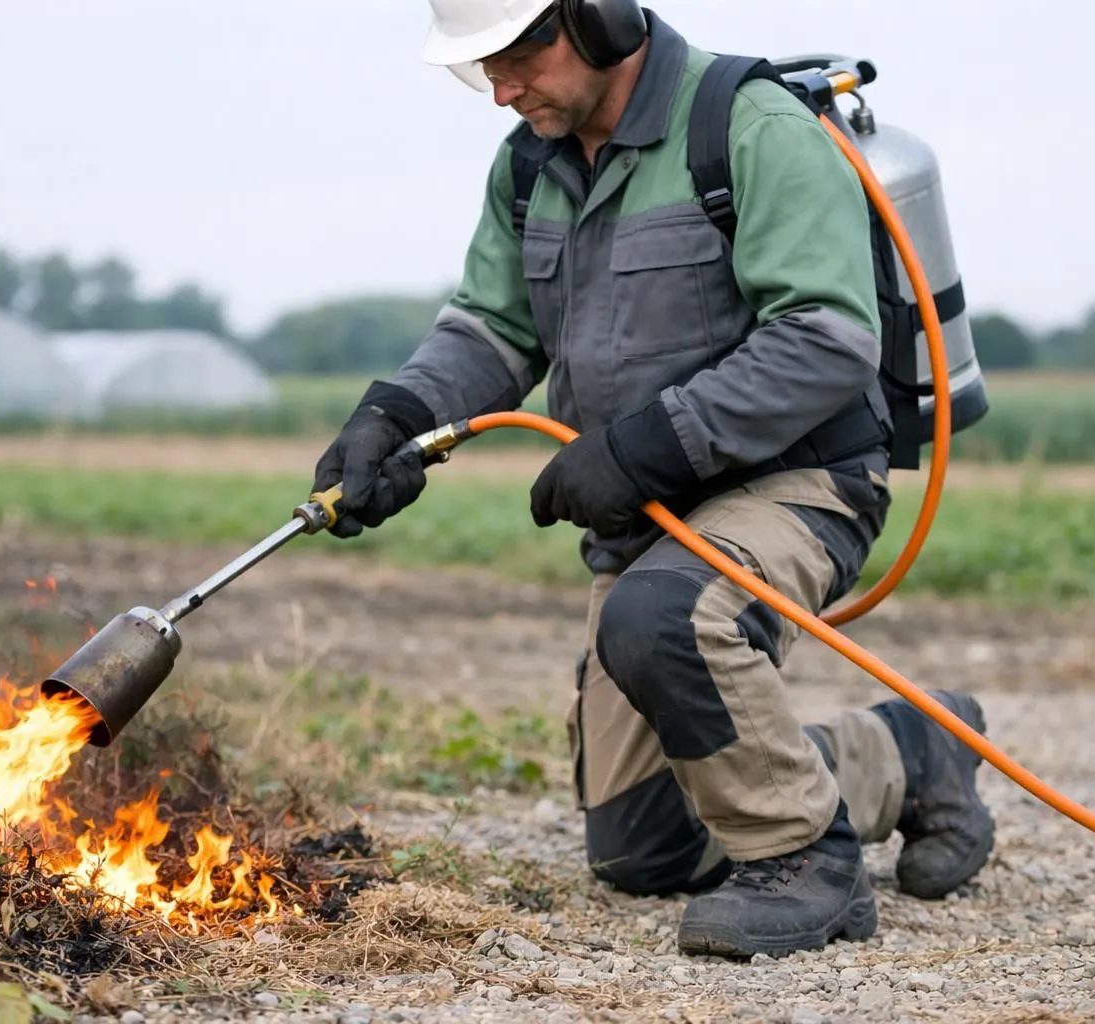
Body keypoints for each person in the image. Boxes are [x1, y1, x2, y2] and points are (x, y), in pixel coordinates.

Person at [309, 0, 995, 959]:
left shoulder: (749, 127)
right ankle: (913, 750)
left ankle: (806, 861)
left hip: (799, 482)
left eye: (515, 58)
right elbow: (493, 327)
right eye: (482, 70)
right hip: (655, 511)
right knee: (644, 841)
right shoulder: (530, 164)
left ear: (597, 19)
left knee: (662, 614)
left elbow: (827, 339)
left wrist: (641, 450)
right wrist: (395, 417)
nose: (502, 92)